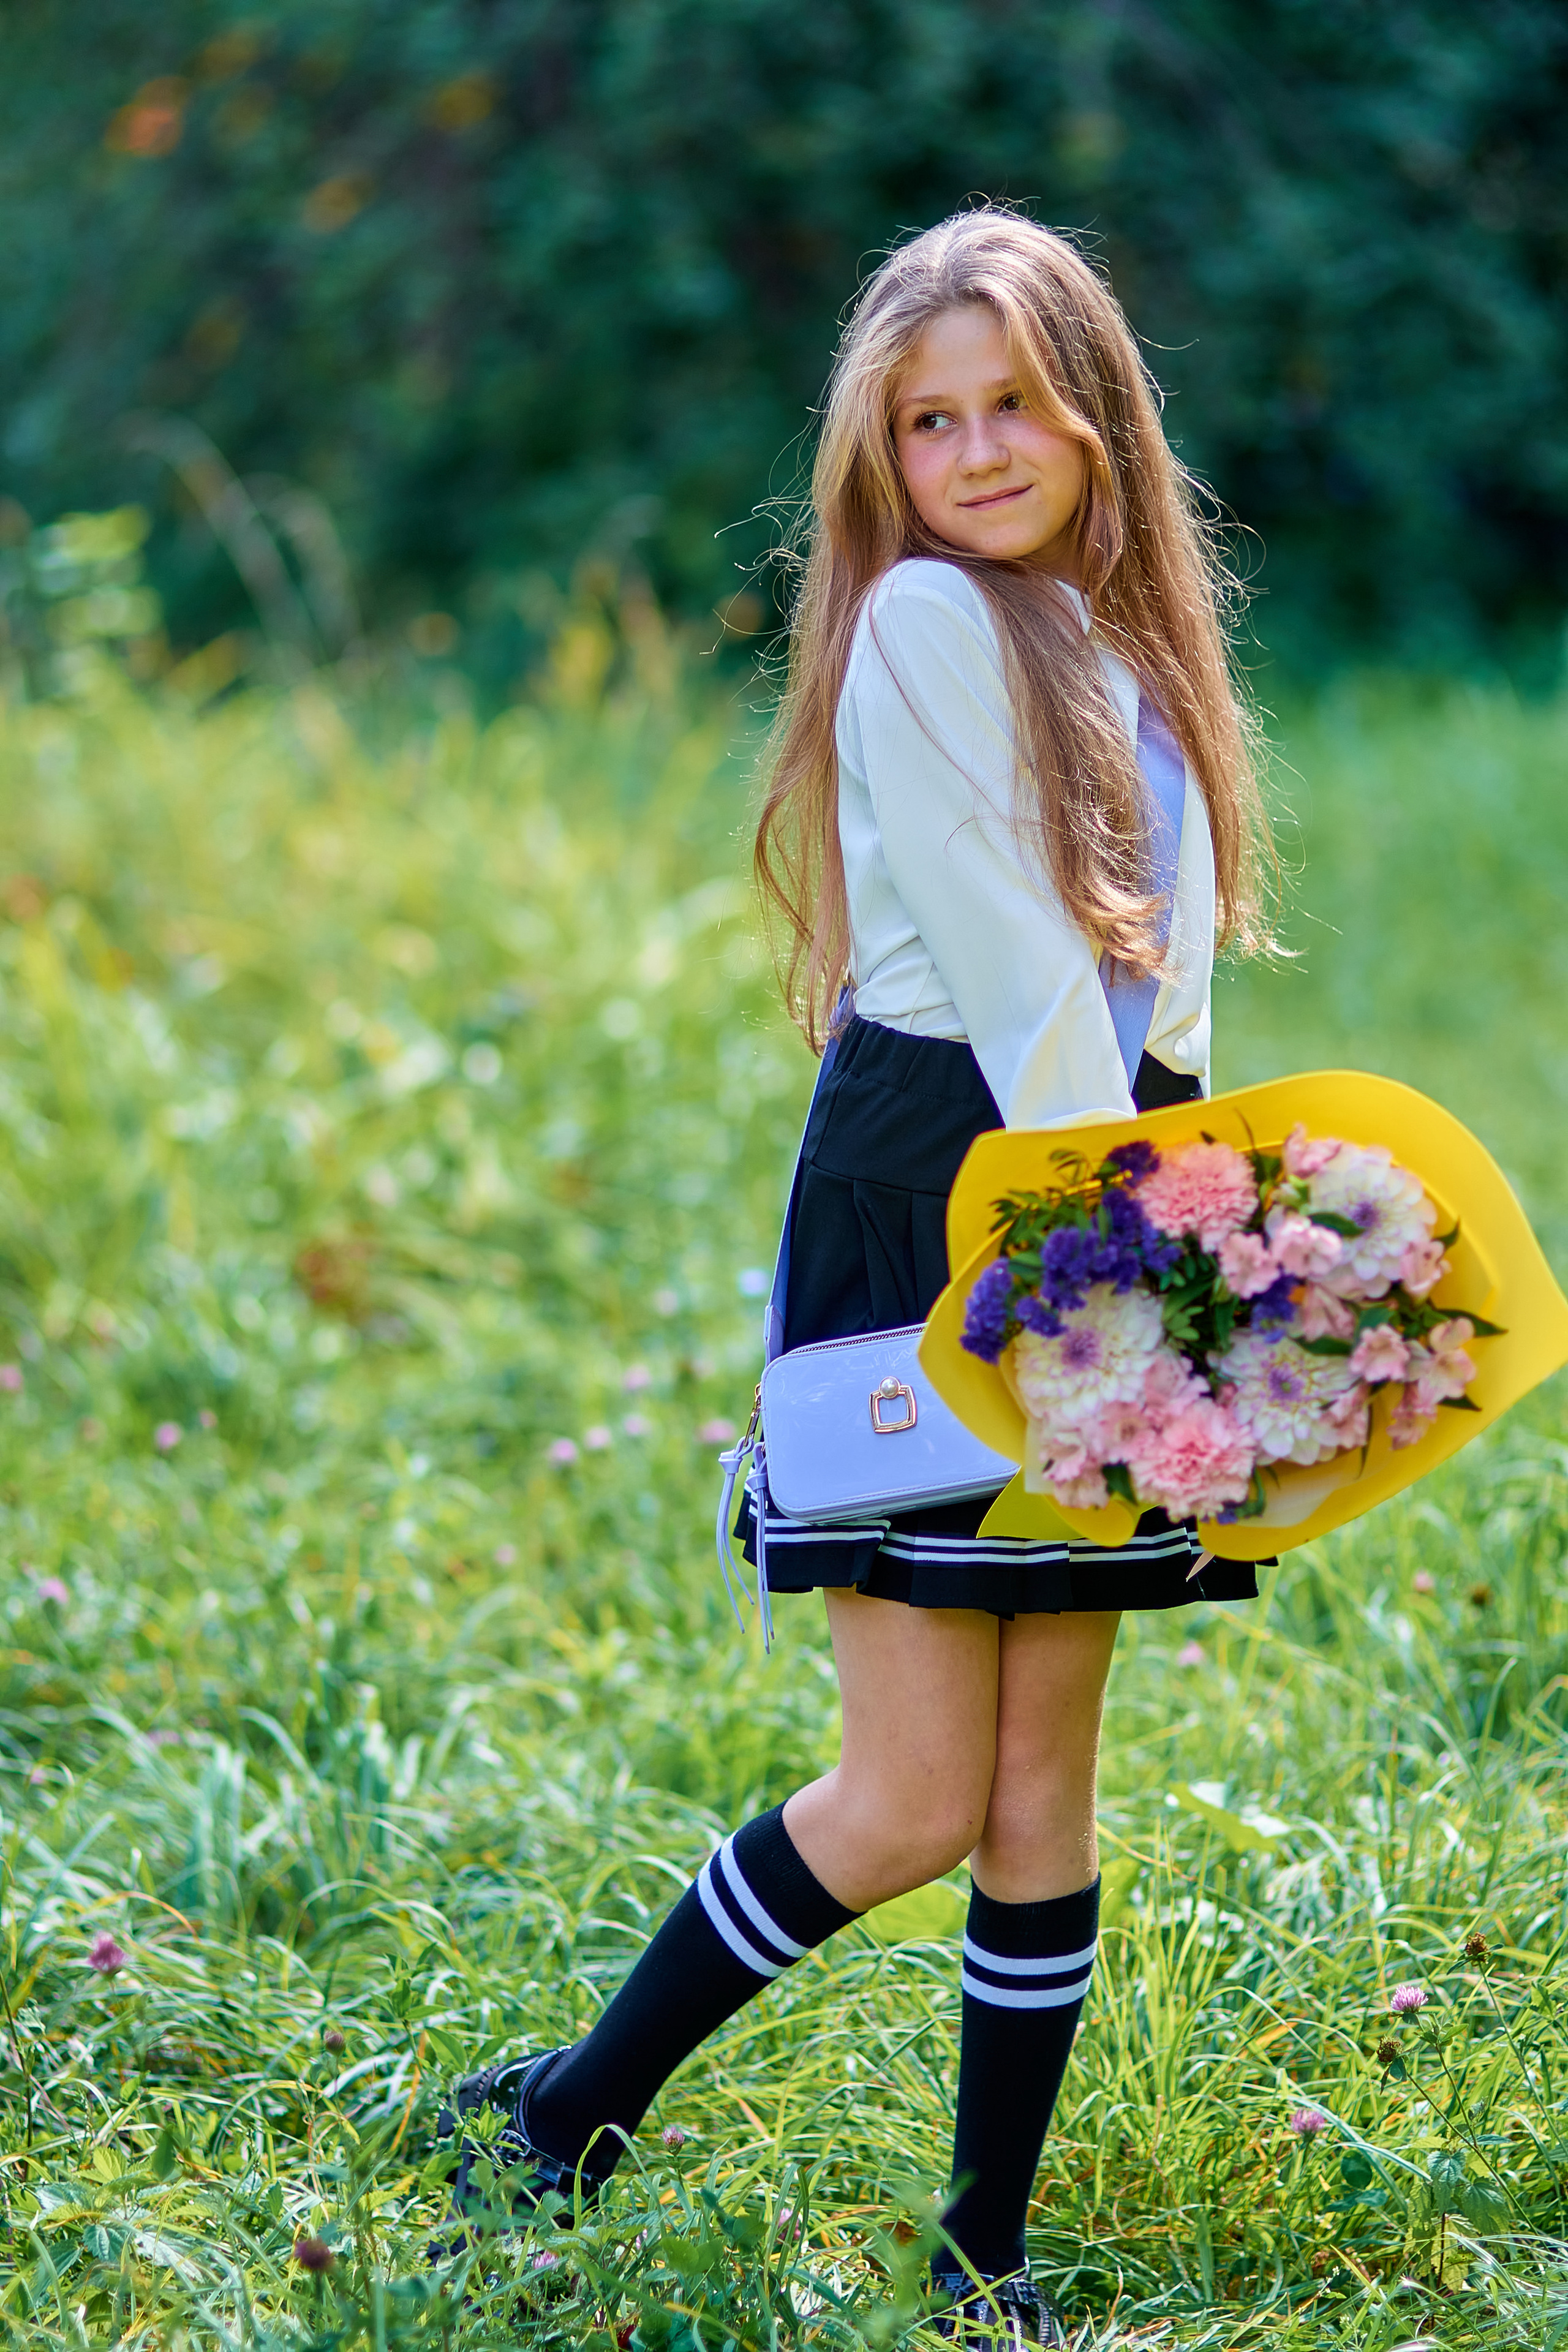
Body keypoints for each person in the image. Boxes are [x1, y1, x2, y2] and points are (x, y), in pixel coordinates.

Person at [436, 207, 1273, 2347]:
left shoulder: (1131, 645)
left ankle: (983, 2264)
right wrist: (1138, 1283)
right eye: (932, 420)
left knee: (1038, 1792)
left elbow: (1158, 990)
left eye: (1014, 403)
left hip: (1110, 1174)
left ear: (1095, 411)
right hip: (953, 1190)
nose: (981, 449)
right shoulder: (919, 623)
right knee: (909, 1794)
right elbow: (1015, 985)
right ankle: (564, 2121)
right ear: (881, 457)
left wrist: (1209, 1242)